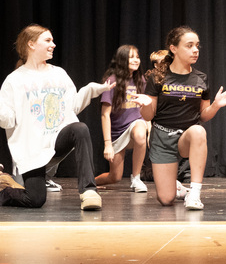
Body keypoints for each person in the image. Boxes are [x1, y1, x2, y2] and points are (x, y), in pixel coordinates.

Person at [0, 25, 109, 210]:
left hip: (56, 140)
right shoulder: (14, 80)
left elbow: (72, 107)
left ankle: (89, 191)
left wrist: (91, 89)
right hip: (32, 148)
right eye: (48, 40)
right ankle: (4, 191)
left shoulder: (58, 73)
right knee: (35, 200)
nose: (53, 45)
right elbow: (8, 120)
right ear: (31, 44)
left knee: (79, 128)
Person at [140, 26, 226, 210]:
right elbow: (149, 115)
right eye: (189, 45)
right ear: (173, 48)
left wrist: (216, 105)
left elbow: (203, 116)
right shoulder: (158, 77)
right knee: (166, 199)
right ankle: (177, 188)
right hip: (162, 137)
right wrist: (145, 105)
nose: (195, 50)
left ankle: (195, 193)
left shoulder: (201, 79)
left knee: (199, 130)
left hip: (187, 137)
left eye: (197, 46)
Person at [94, 44, 149, 193]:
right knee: (114, 177)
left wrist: (148, 126)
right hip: (117, 132)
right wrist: (108, 145)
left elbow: (145, 109)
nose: (136, 60)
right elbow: (105, 114)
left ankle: (136, 178)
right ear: (122, 59)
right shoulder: (112, 81)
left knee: (139, 133)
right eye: (131, 57)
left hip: (135, 125)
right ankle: (89, 183)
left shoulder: (140, 80)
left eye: (137, 57)